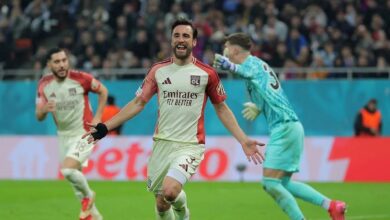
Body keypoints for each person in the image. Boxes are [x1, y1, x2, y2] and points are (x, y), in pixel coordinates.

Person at [83, 18, 264, 220]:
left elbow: (221, 108)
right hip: (162, 143)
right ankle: (180, 212)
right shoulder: (158, 71)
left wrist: (243, 139)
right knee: (161, 203)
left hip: (190, 145)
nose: (181, 40)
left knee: (170, 191)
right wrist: (105, 128)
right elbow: (138, 103)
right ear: (171, 41)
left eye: (186, 36)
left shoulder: (207, 74)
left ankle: (183, 214)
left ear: (194, 42)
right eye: (176, 36)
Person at [213, 33, 346, 220]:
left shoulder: (251, 63)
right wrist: (259, 107)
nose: (224, 50)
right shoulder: (259, 66)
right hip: (290, 126)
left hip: (284, 127)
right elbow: (268, 89)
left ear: (234, 49)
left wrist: (228, 66)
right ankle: (332, 205)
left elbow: (243, 71)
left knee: (269, 183)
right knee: (283, 182)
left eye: (226, 46)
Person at [36, 48, 108, 220]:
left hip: (84, 133)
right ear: (49, 64)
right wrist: (45, 109)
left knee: (68, 170)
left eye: (64, 60)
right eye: (57, 61)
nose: (62, 65)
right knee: (75, 180)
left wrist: (98, 117)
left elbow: (103, 91)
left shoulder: (81, 78)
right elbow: (38, 116)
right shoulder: (44, 84)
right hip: (63, 136)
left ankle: (89, 197)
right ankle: (95, 216)